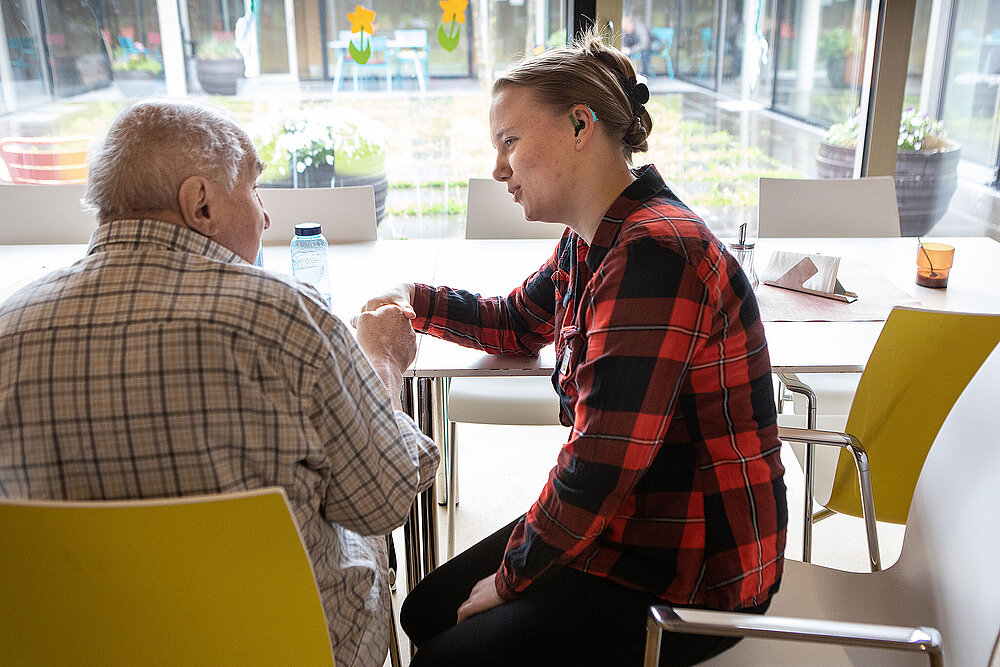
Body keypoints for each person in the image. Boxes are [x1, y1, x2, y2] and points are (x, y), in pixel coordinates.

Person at [364, 28, 786, 666]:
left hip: (691, 574)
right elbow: (514, 322)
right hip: (633, 526)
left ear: (581, 124)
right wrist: (414, 299)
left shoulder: (655, 253)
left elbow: (598, 465)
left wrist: (508, 581)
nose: (499, 168)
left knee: (441, 650)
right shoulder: (592, 239)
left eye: (510, 141)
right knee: (424, 611)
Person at [0, 100, 438, 667]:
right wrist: (380, 360)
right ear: (200, 203)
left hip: (72, 647)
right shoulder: (287, 317)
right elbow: (383, 498)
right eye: (256, 190)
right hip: (285, 647)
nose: (265, 218)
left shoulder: (9, 326)